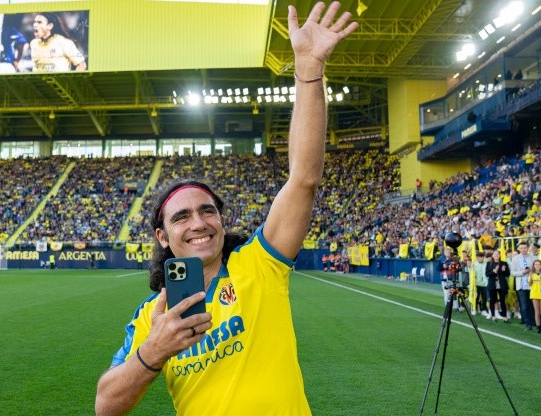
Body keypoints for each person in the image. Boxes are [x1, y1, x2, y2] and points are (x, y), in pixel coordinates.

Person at [95, 3, 358, 415]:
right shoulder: (153, 315)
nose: (198, 223)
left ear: (221, 220)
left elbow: (304, 178)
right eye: (181, 217)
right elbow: (105, 406)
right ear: (162, 236)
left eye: (207, 210)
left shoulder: (260, 264)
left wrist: (308, 68)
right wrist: (153, 352)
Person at [511, 242, 537, 330]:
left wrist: (531, 271)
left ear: (527, 248)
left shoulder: (534, 258)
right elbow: (512, 272)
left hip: (532, 285)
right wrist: (522, 272)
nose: (523, 249)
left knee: (531, 305)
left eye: (525, 247)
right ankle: (527, 323)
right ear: (519, 249)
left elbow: (538, 269)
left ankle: (533, 321)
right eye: (521, 248)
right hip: (521, 285)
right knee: (524, 305)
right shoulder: (515, 259)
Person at [486, 249, 511, 322]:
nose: (496, 255)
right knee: (492, 300)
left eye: (498, 254)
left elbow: (508, 274)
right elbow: (487, 274)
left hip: (502, 285)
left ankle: (504, 316)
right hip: (492, 285)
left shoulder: (504, 263)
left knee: (503, 301)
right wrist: (494, 272)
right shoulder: (489, 263)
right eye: (495, 254)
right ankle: (493, 315)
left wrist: (504, 270)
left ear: (500, 255)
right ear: (492, 256)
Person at [528, 259, 541, 333]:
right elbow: (529, 284)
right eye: (536, 265)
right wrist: (531, 279)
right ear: (534, 266)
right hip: (534, 294)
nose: (537, 266)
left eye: (539, 264)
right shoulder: (531, 274)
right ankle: (538, 326)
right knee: (537, 311)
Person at [472, 252, 489, 317]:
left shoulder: (486, 264)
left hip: (485, 284)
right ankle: (475, 309)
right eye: (479, 257)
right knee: (476, 297)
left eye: (482, 257)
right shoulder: (474, 265)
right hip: (476, 284)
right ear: (477, 258)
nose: (480, 258)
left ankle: (483, 310)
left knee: (484, 298)